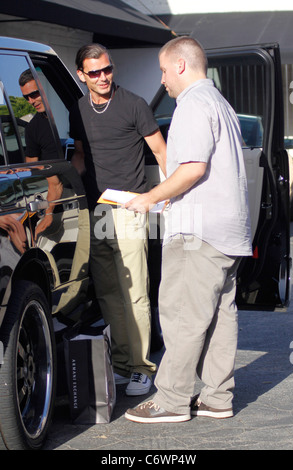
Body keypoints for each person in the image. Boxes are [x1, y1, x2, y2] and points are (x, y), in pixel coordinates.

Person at [124, 36, 252, 422]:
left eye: (163, 70)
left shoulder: (193, 104)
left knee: (182, 315)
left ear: (181, 65)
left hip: (199, 230)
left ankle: (171, 400)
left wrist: (149, 197)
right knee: (218, 317)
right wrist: (168, 196)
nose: (162, 79)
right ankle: (217, 396)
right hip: (228, 231)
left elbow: (192, 167)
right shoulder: (222, 104)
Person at [69, 43, 167, 396]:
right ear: (82, 75)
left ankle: (142, 367)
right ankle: (124, 362)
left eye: (107, 69)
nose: (103, 77)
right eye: (94, 72)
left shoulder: (134, 104)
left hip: (129, 207)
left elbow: (161, 151)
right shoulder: (78, 108)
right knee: (110, 291)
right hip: (97, 210)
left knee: (136, 292)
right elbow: (81, 156)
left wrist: (165, 198)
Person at [19, 69, 58, 162]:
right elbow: (32, 166)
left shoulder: (73, 112)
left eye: (34, 94)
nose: (31, 101)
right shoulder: (32, 128)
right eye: (26, 97)